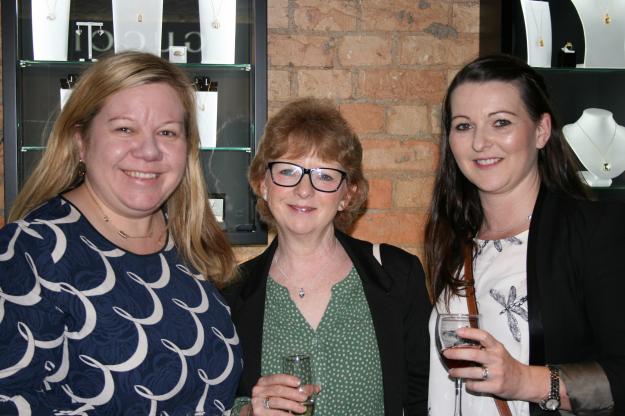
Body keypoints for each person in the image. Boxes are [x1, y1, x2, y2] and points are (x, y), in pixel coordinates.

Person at [0, 51, 242, 415]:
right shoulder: (29, 254)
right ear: (80, 141)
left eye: (167, 132)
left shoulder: (189, 244)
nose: (149, 151)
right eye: (125, 129)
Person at [425, 54, 625, 415]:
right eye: (464, 126)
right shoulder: (456, 238)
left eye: (500, 122)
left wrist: (525, 381)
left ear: (541, 130)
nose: (480, 142)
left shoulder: (594, 232)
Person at [221, 97, 431, 416]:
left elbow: (424, 397)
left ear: (347, 194)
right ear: (263, 184)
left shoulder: (398, 275)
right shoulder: (231, 294)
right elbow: (216, 399)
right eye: (288, 170)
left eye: (324, 175)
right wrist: (248, 412)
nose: (304, 190)